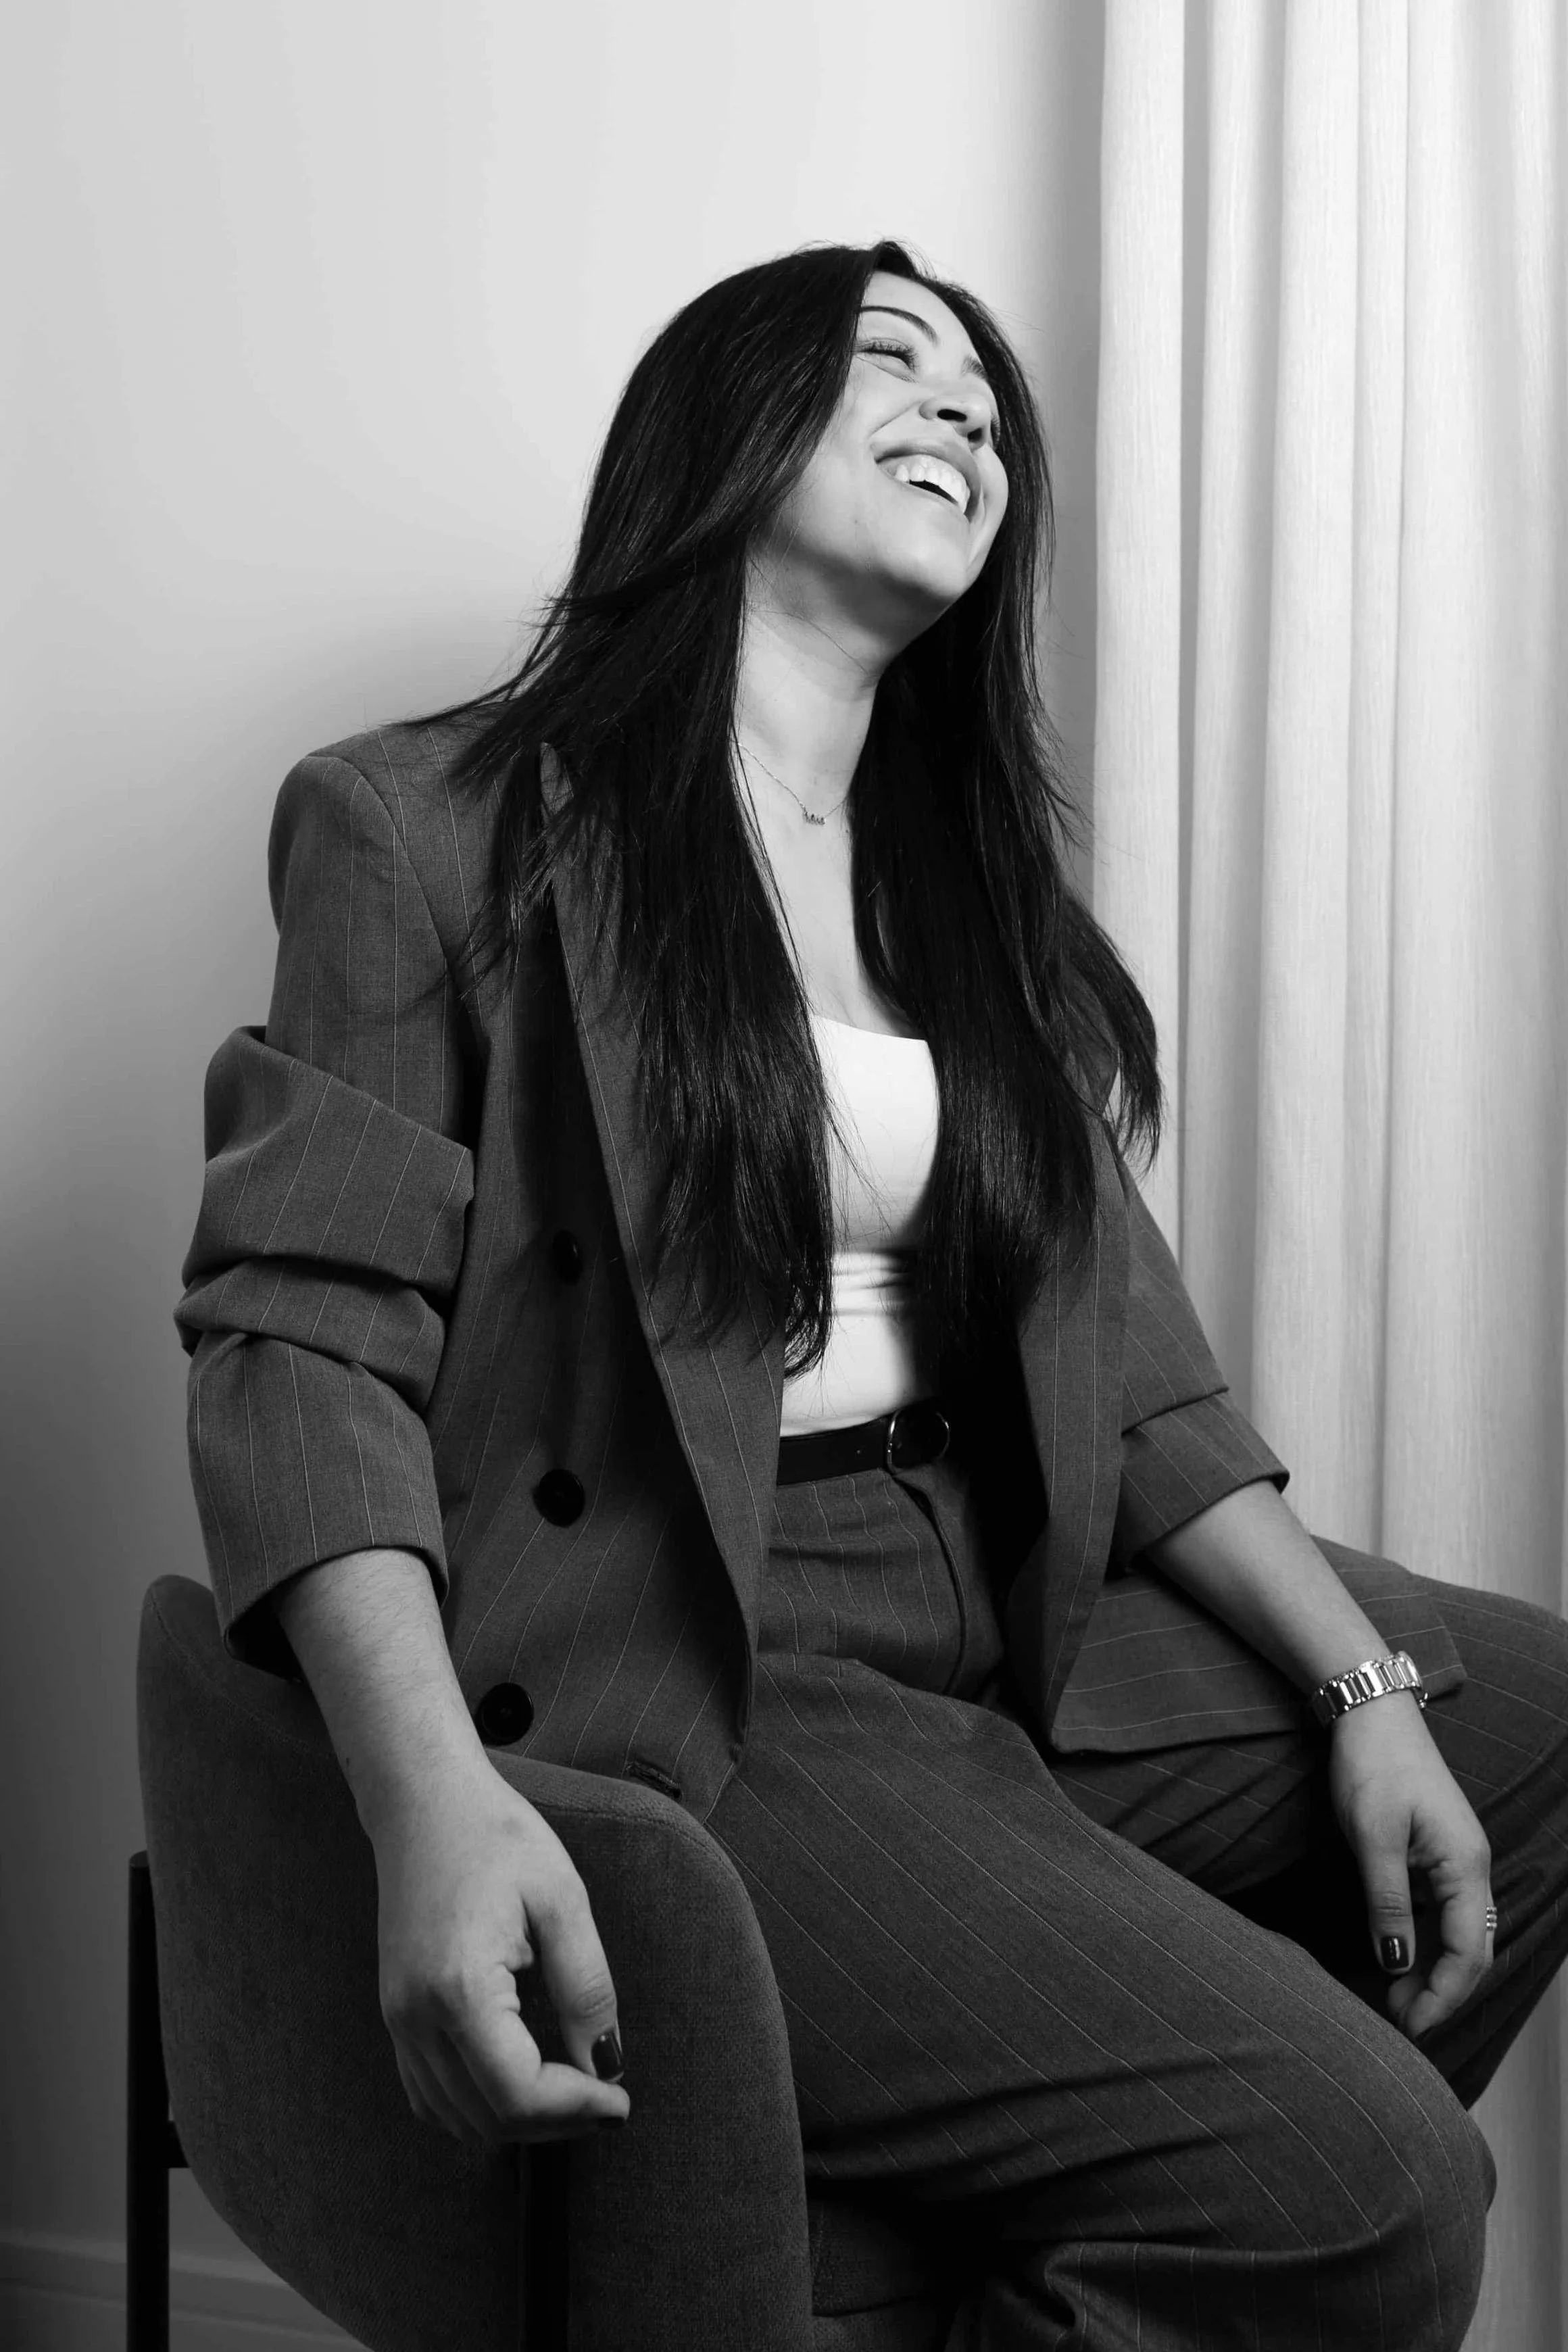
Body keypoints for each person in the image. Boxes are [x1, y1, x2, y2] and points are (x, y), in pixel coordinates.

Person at [175, 238, 1568, 2351]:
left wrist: (1367, 1695)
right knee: (1379, 2187)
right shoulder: (432, 829)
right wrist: (429, 1800)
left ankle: (1106, 2229)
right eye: (887, 360)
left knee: (1531, 1723)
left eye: (985, 399)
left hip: (1006, 1602)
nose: (963, 409)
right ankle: (1263, 2187)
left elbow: (1141, 1389)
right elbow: (304, 1347)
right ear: (723, 429)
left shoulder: (963, 895)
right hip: (708, 1654)